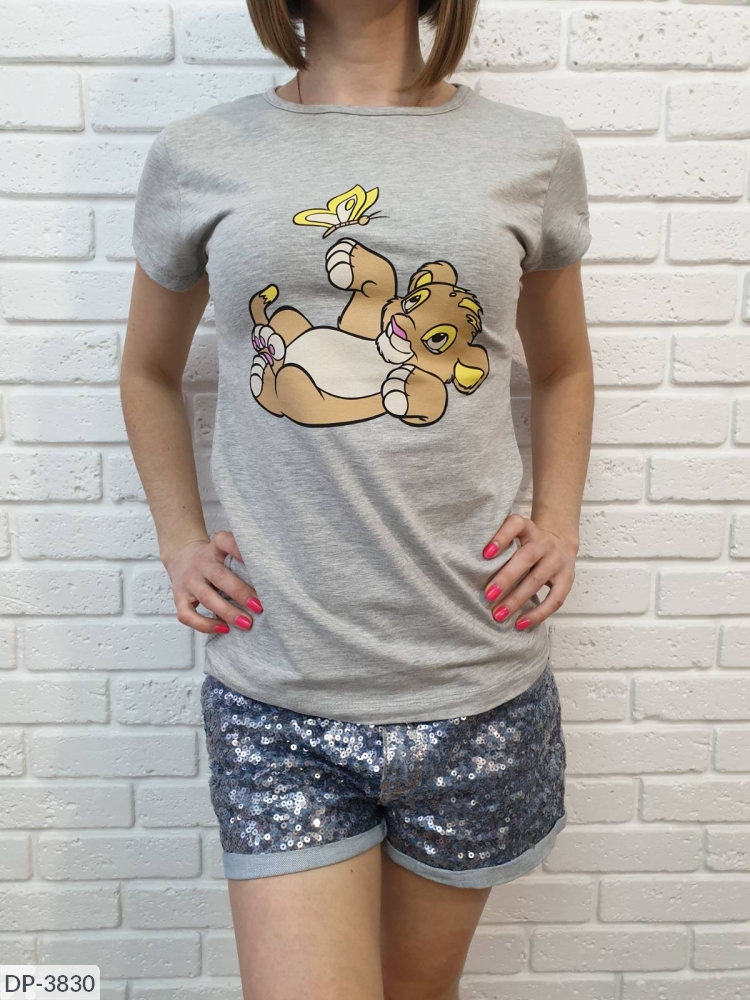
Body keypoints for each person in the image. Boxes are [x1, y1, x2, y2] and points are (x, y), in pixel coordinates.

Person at [120, 0, 594, 996]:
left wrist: (558, 521)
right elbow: (148, 371)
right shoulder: (200, 154)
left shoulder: (531, 152)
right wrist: (179, 540)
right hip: (279, 691)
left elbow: (561, 369)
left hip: (475, 681)